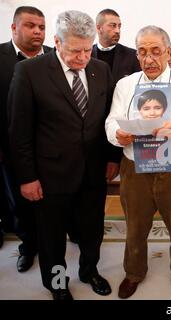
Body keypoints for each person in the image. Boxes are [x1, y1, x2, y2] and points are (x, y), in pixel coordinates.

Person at [8, 10, 120, 300]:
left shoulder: (100, 69)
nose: (82, 57)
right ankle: (57, 283)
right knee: (52, 237)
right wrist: (27, 178)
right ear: (56, 42)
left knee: (92, 229)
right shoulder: (30, 72)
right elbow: (19, 131)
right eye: (75, 50)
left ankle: (88, 271)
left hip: (93, 171)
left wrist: (112, 158)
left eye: (87, 49)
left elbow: (108, 117)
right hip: (50, 175)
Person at [105, 25, 171, 299]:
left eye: (155, 52)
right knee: (135, 228)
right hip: (134, 168)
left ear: (168, 52)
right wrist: (118, 134)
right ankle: (134, 272)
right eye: (142, 52)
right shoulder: (125, 85)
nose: (149, 59)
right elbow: (111, 121)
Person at [0, 6, 52, 272]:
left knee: (54, 203)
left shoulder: (56, 58)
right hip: (12, 152)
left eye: (42, 27)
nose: (38, 32)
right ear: (13, 27)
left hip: (53, 151)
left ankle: (54, 246)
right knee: (21, 205)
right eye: (31, 26)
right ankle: (28, 247)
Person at [92, 9, 140, 82]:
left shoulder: (133, 56)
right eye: (112, 26)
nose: (117, 31)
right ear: (99, 28)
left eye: (119, 26)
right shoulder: (86, 55)